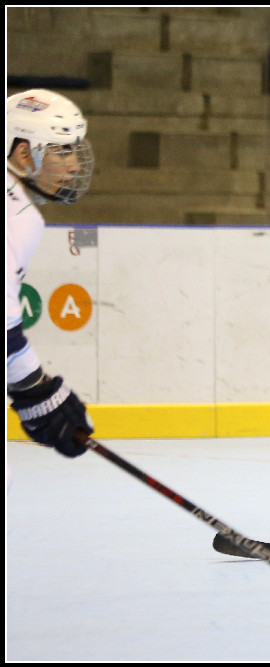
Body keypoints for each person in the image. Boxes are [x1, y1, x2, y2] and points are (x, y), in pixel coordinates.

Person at [6, 89, 97, 480]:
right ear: (23, 154)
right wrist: (37, 392)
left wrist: (33, 390)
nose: (74, 165)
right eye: (62, 151)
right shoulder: (16, 216)